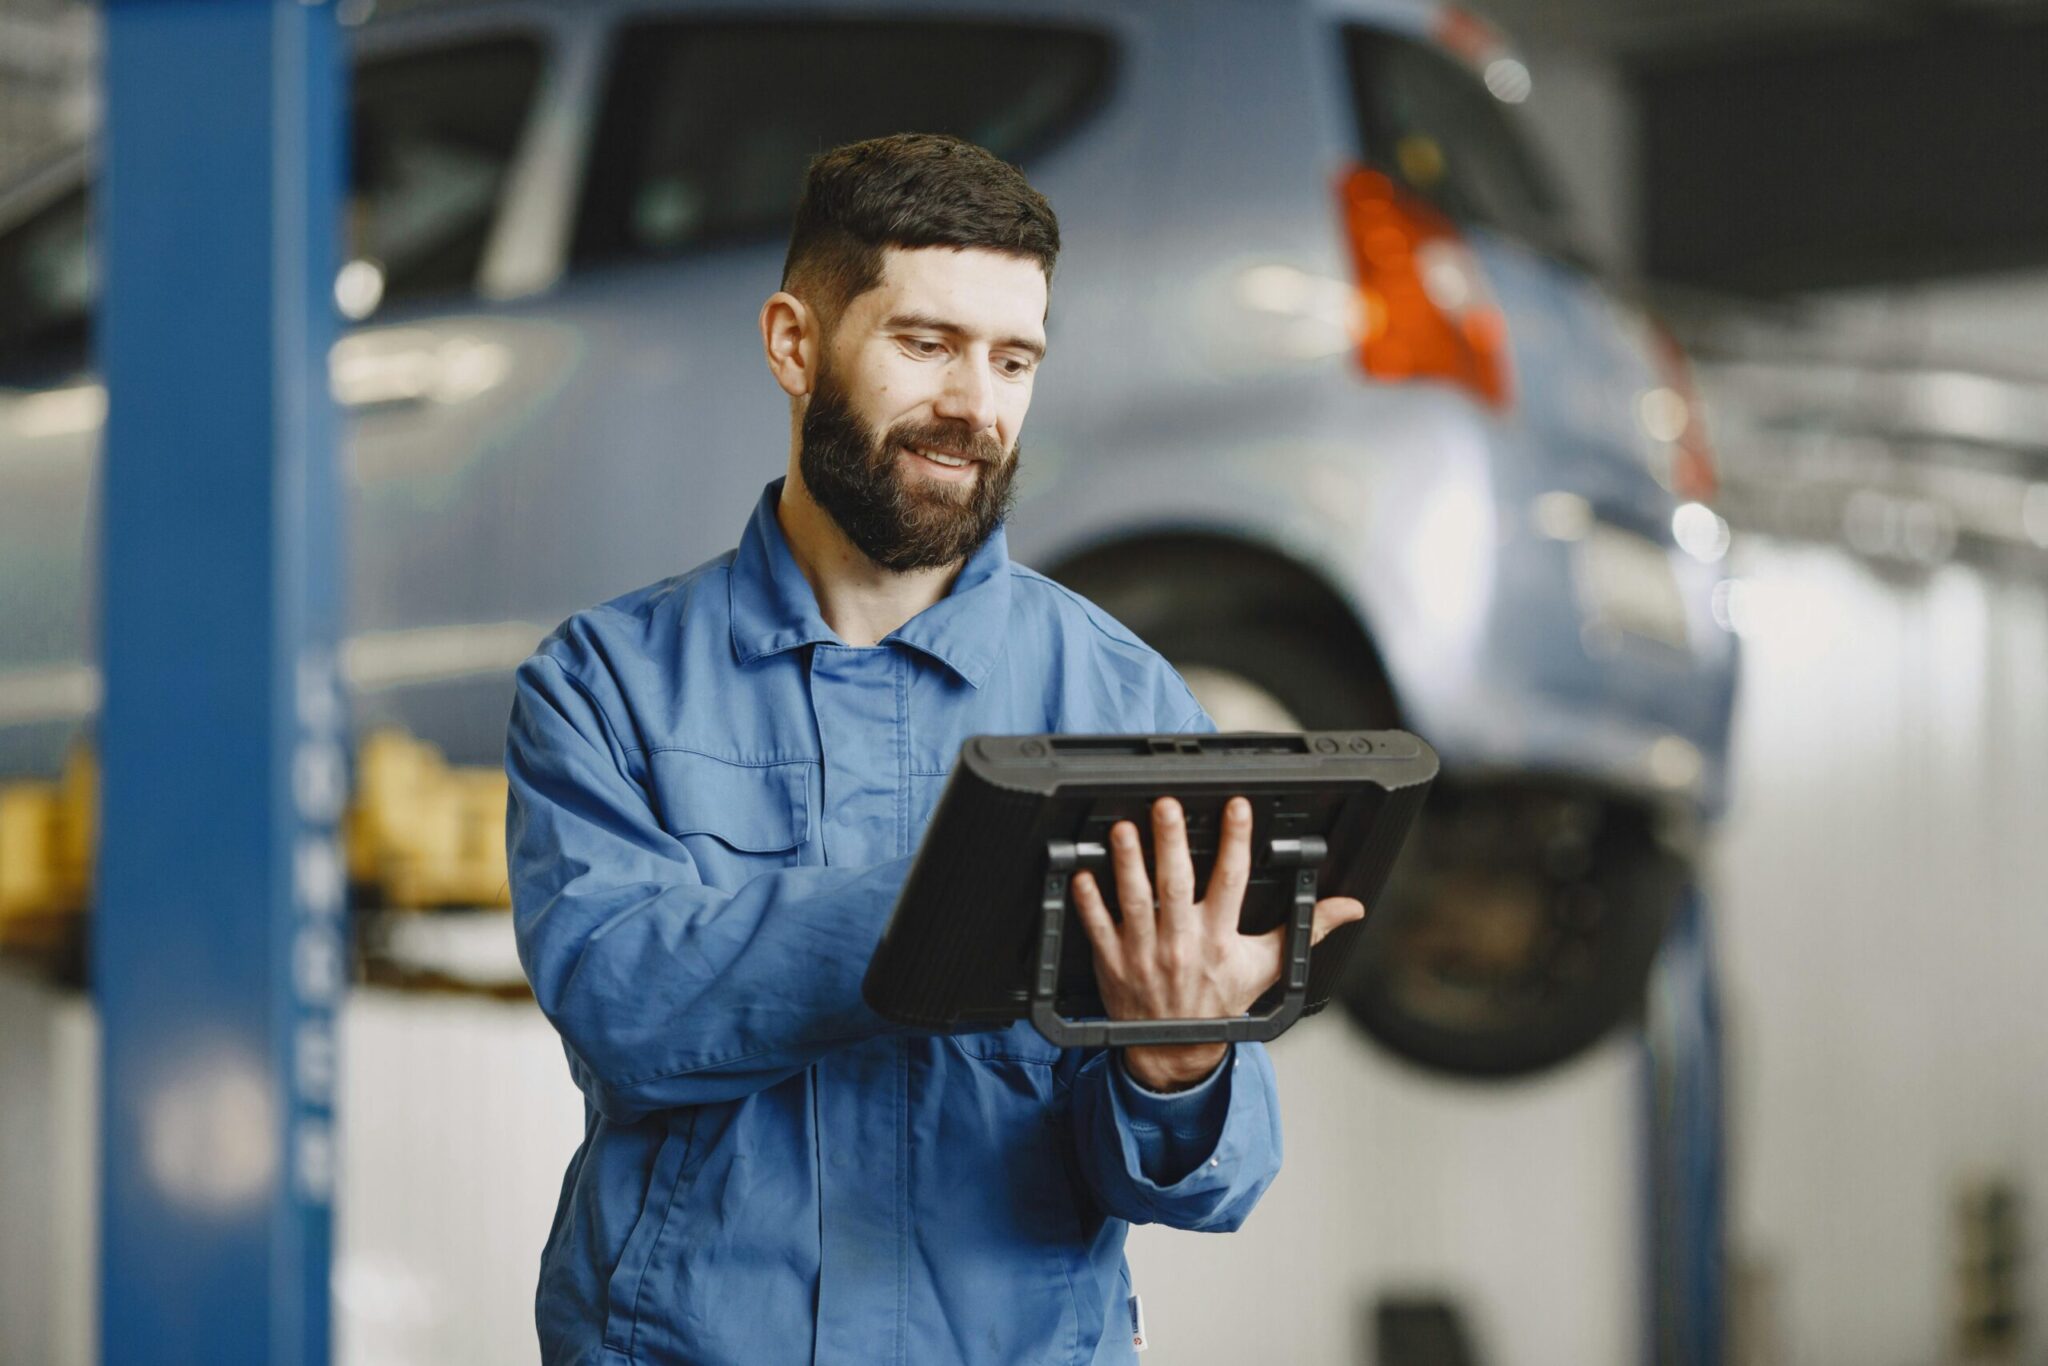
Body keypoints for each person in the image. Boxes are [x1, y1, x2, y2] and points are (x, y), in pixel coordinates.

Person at [505, 132, 1364, 1366]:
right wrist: (963, 888)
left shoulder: (1118, 698)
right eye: (926, 344)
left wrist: (1179, 1062)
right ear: (795, 343)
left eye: (1013, 359)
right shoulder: (606, 683)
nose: (974, 405)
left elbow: (1203, 1186)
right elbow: (623, 1002)